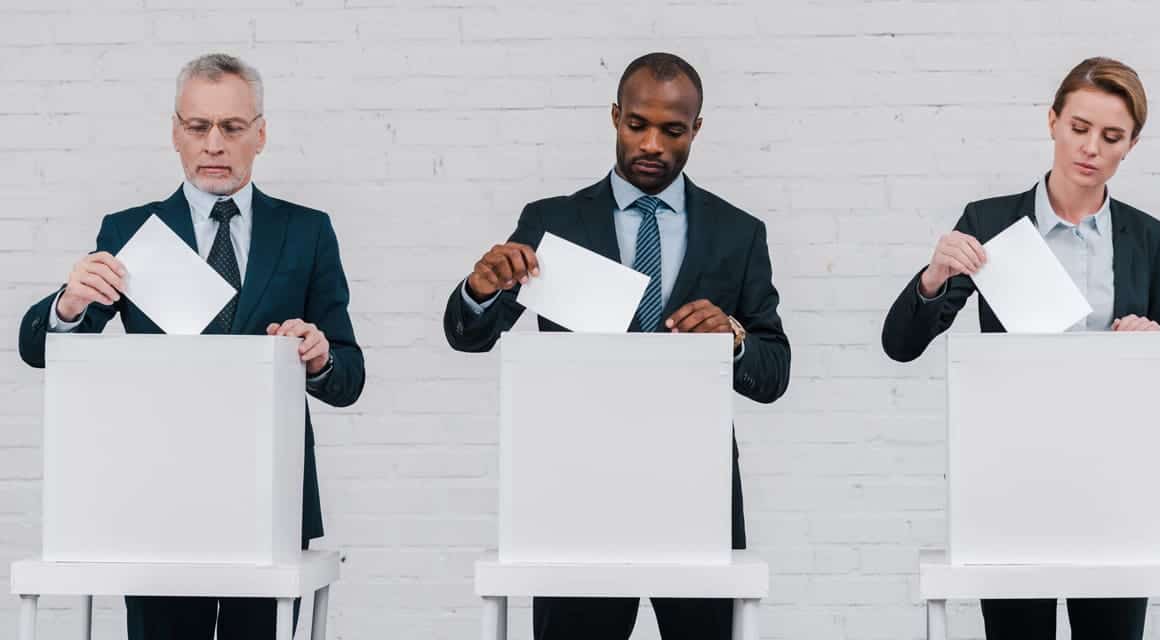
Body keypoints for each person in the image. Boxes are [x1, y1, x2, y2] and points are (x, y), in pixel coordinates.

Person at [442, 52, 790, 639]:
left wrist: (732, 338)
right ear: (615, 117)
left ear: (697, 129)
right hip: (577, 487)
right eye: (637, 125)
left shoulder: (739, 232)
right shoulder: (552, 221)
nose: (652, 143)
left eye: (672, 130)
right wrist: (480, 288)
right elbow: (468, 336)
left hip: (696, 491)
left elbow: (774, 371)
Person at [16, 53, 365, 640]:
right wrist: (69, 304)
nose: (214, 144)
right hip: (158, 494)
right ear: (175, 133)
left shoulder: (306, 231)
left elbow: (349, 376)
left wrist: (319, 355)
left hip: (272, 497)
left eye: (231, 127)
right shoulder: (128, 232)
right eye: (198, 126)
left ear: (261, 134)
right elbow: (38, 350)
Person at [881, 57, 1160, 640]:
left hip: (1115, 482)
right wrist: (933, 277)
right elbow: (900, 344)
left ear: (1132, 145)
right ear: (1051, 121)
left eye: (1111, 136)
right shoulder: (991, 222)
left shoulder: (1147, 237)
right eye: (1079, 127)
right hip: (1011, 480)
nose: (1091, 148)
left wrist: (1150, 353)